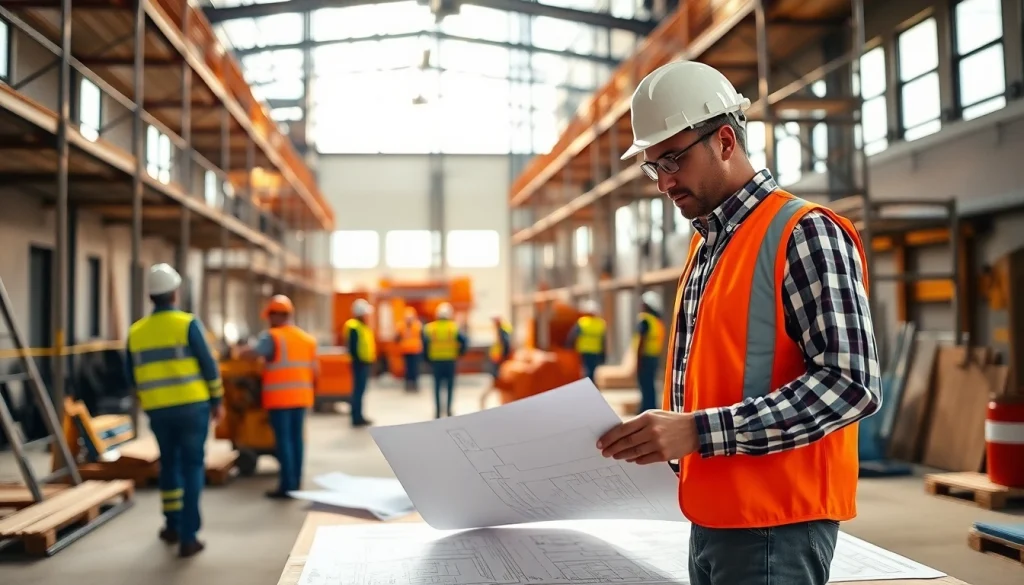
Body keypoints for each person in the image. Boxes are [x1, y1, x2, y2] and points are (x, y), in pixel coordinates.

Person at [595, 60, 882, 585]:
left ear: (725, 141)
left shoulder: (804, 233)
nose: (664, 182)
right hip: (711, 516)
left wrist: (698, 432)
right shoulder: (708, 247)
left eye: (673, 160)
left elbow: (852, 385)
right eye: (653, 166)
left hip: (776, 526)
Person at [126, 263, 224, 558]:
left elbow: (131, 376)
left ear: (151, 296)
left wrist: (149, 398)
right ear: (175, 292)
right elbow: (209, 365)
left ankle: (171, 525)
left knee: (169, 465)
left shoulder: (136, 331)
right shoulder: (187, 323)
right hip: (193, 407)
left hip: (158, 410)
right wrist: (217, 401)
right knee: (193, 466)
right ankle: (188, 536)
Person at [241, 294, 318, 499]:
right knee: (297, 440)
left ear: (275, 316)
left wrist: (239, 352)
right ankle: (296, 481)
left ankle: (286, 486)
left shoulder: (272, 336)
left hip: (280, 399)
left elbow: (255, 353)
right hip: (301, 397)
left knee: (284, 441)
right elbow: (315, 372)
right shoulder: (306, 339)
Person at [422, 302, 466, 418]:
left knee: (437, 387)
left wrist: (427, 359)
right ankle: (449, 410)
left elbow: (425, 345)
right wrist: (459, 353)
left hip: (436, 361)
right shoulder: (454, 327)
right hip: (450, 361)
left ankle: (437, 412)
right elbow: (464, 341)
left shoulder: (429, 328)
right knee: (450, 386)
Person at [344, 298, 376, 427]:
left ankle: (359, 415)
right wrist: (359, 361)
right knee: (358, 391)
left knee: (361, 390)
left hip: (364, 362)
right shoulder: (354, 327)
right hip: (359, 363)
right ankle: (356, 417)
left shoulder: (362, 326)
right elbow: (353, 347)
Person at [633, 291, 664, 413]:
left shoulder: (645, 320)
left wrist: (638, 359)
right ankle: (650, 407)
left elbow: (642, 340)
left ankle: (645, 409)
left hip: (645, 357)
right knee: (651, 384)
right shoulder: (657, 322)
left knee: (645, 384)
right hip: (654, 357)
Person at [565, 299, 606, 381]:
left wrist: (568, 347)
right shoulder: (601, 323)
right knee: (592, 371)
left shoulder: (582, 322)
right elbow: (603, 340)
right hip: (596, 351)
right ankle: (590, 384)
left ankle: (587, 386)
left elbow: (573, 336)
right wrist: (603, 354)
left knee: (585, 370)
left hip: (583, 351)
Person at [396, 307, 423, 393]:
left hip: (415, 351)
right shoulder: (402, 326)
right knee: (408, 369)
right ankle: (409, 385)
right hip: (407, 351)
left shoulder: (417, 326)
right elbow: (397, 338)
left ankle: (414, 385)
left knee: (414, 369)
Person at [488, 314, 513, 380]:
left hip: (499, 356)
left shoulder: (502, 331)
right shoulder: (499, 330)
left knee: (498, 373)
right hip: (497, 355)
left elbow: (505, 344)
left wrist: (503, 355)